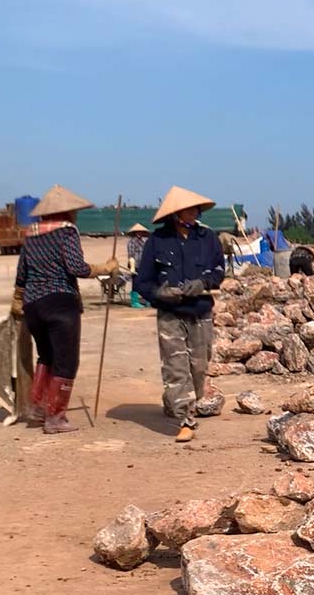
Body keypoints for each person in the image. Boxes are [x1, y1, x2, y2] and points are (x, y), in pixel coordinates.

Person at [12, 185, 118, 433]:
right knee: (66, 361)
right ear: (67, 213)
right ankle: (55, 418)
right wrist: (105, 268)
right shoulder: (67, 233)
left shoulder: (31, 234)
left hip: (34, 304)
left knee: (46, 356)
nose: (76, 217)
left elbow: (21, 274)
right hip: (61, 303)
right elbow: (76, 267)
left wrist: (18, 299)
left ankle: (38, 409)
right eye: (75, 212)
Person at [133, 185, 226, 443]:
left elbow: (219, 270)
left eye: (196, 209)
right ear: (175, 214)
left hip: (200, 312)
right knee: (176, 367)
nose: (194, 213)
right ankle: (185, 418)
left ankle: (172, 400)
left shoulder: (208, 238)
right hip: (170, 314)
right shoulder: (157, 241)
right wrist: (160, 294)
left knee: (199, 366)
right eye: (188, 210)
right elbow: (142, 282)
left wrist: (204, 283)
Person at [126, 223, 151, 308]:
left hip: (144, 264)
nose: (139, 234)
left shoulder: (145, 241)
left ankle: (148, 300)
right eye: (137, 232)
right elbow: (131, 255)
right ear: (135, 233)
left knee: (146, 282)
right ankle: (134, 302)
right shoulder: (131, 242)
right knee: (136, 283)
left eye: (141, 232)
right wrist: (132, 267)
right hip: (135, 265)